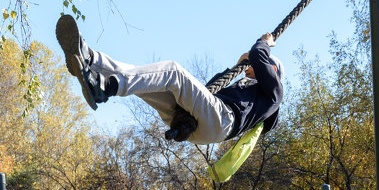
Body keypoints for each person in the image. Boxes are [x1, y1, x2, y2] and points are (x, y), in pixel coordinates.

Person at [55, 15, 284, 145]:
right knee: (144, 79)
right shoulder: (247, 91)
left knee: (173, 71)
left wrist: (264, 41)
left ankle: (103, 88)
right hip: (193, 123)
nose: (247, 70)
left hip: (221, 121)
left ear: (271, 69)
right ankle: (89, 58)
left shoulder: (274, 93)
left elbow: (257, 55)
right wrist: (235, 67)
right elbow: (207, 91)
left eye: (254, 67)